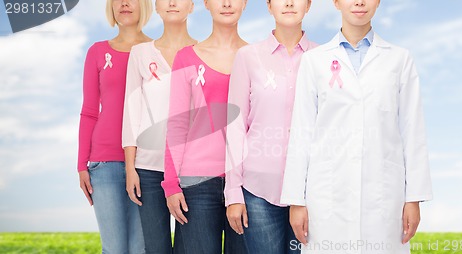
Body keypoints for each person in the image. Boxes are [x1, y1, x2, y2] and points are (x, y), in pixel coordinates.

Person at [280, 0, 433, 253]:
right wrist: (296, 200)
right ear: (337, 2)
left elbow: (413, 131)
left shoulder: (399, 59)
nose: (359, 2)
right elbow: (301, 133)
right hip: (328, 195)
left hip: (383, 196)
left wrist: (413, 198)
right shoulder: (314, 61)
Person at [224, 0, 317, 253]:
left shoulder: (322, 59)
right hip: (258, 191)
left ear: (308, 5)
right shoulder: (248, 57)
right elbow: (235, 127)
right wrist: (233, 192)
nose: (288, 3)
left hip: (312, 191)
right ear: (268, 5)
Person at [161, 0, 248, 253]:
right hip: (196, 183)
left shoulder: (255, 58)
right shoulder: (186, 57)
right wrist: (171, 183)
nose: (227, 3)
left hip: (245, 182)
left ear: (244, 3)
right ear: (206, 3)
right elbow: (177, 123)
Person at [122, 0, 197, 253]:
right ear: (156, 7)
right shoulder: (140, 53)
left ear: (192, 6)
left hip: (191, 170)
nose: (173, 3)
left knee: (190, 246)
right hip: (148, 169)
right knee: (156, 248)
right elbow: (131, 113)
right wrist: (131, 168)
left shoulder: (203, 52)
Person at [77, 0, 152, 253]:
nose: (124, 3)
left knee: (140, 248)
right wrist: (81, 165)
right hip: (103, 164)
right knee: (114, 249)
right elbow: (89, 112)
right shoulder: (97, 52)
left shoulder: (156, 51)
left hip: (146, 164)